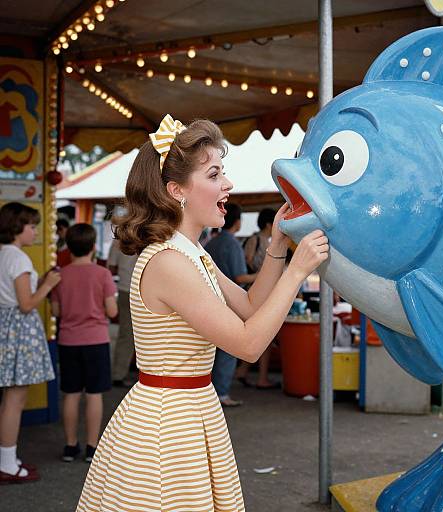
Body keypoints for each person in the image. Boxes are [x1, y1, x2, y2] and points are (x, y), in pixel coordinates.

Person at [76, 115, 328, 512]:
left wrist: (278, 243)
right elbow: (248, 344)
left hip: (189, 409)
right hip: (168, 422)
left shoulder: (191, 253)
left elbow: (249, 306)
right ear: (176, 190)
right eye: (214, 174)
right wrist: (297, 272)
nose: (227, 184)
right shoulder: (169, 262)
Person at [0, 202, 61, 484]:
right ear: (17, 227)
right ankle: (8, 463)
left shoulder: (3, 255)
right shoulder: (19, 259)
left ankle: (7, 459)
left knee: (8, 398)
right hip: (18, 330)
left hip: (5, 326)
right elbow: (26, 304)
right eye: (32, 226)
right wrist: (48, 286)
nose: (35, 231)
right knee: (15, 398)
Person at [51, 223, 118, 463]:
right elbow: (112, 312)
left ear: (68, 248)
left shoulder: (61, 275)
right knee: (93, 394)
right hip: (96, 340)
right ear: (93, 247)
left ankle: (70, 446)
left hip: (68, 340)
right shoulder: (102, 274)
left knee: (70, 394)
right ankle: (92, 447)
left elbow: (56, 310)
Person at [205, 203, 255, 407]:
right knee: (227, 352)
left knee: (210, 350)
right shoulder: (232, 244)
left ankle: (213, 392)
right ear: (238, 221)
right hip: (229, 303)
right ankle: (222, 393)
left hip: (209, 300)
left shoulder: (209, 243)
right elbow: (240, 276)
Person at [237, 208, 281, 389]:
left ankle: (243, 372)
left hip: (261, 289)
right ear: (270, 224)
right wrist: (264, 275)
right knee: (264, 336)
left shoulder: (267, 241)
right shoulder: (256, 240)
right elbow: (247, 261)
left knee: (263, 336)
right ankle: (260, 377)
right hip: (254, 291)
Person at [107, 239, 137, 387]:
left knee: (126, 334)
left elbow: (111, 267)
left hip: (125, 289)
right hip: (148, 288)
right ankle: (128, 370)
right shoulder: (152, 234)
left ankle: (119, 372)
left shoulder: (119, 240)